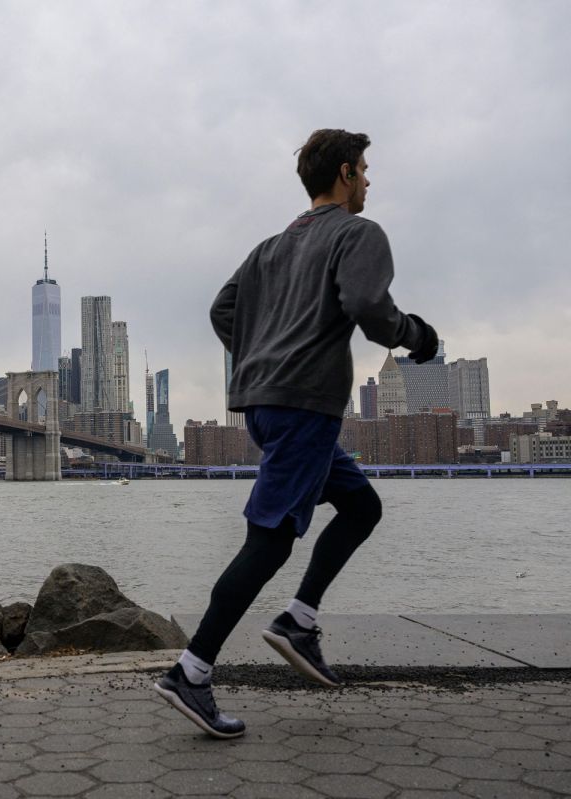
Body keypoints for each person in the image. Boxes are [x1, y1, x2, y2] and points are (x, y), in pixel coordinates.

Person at [154, 129, 439, 739]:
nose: (369, 180)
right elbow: (368, 304)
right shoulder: (360, 233)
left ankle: (299, 620)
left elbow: (220, 312)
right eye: (364, 169)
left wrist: (263, 354)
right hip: (304, 404)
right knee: (270, 541)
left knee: (362, 506)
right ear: (343, 174)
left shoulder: (269, 248)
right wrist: (417, 335)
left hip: (265, 403)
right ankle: (192, 671)